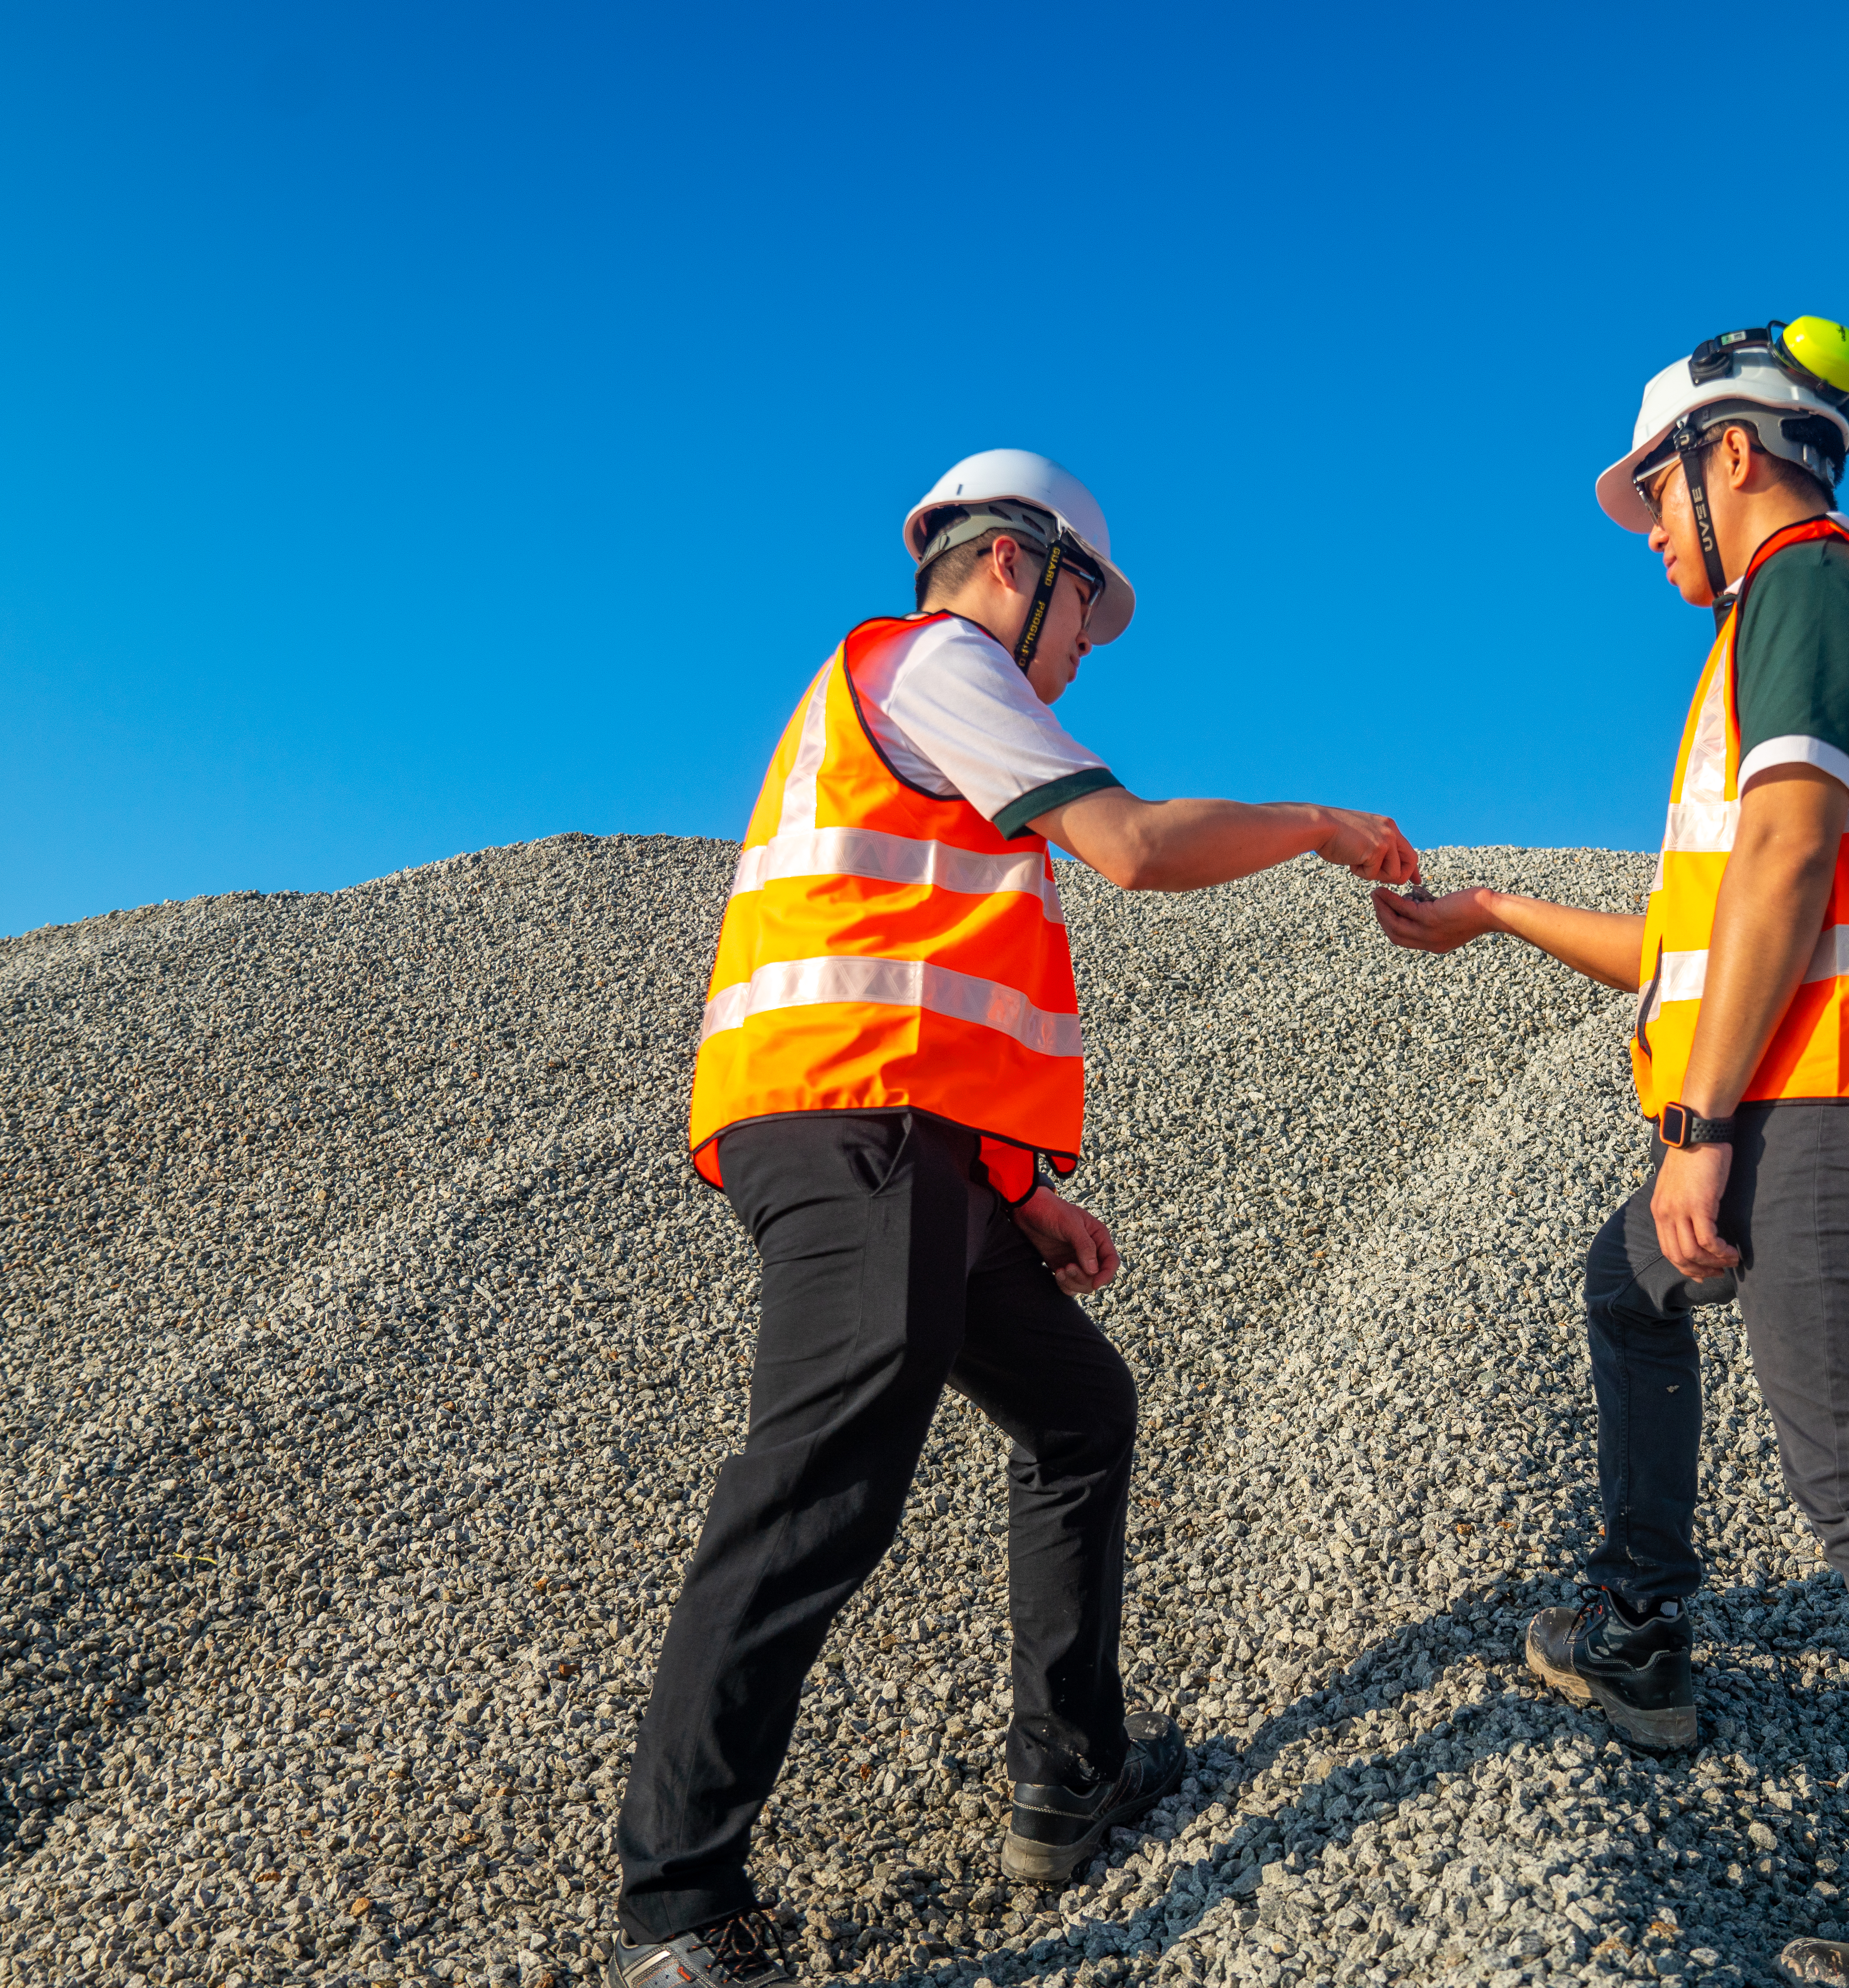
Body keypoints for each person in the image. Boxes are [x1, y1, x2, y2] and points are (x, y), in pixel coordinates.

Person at [613, 449, 1420, 1988]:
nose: (1081, 654)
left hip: (922, 1151)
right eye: (1083, 619)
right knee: (823, 1485)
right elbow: (1133, 848)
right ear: (1015, 568)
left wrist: (1019, 1188)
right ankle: (680, 1904)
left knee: (1078, 1406)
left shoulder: (947, 711)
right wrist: (1317, 824)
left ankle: (1069, 1772)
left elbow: (932, 973)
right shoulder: (938, 666)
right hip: (853, 1130)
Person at [1372, 321, 1849, 1988]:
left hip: (1823, 1087)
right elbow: (1684, 943)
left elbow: (1783, 854)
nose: (1651, 533)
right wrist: (1485, 916)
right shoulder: (1777, 625)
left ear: (1735, 455)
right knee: (1624, 1291)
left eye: (1658, 493)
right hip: (1786, 1070)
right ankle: (1639, 1636)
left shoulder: (1814, 588)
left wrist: (1698, 1129)